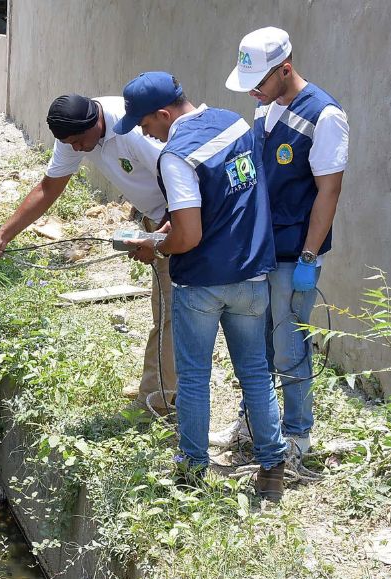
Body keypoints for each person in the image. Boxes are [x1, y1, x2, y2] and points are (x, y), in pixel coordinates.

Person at [117, 71, 287, 499]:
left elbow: (188, 237)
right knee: (255, 373)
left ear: (162, 114)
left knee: (194, 378)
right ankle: (272, 467)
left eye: (145, 124)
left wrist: (155, 244)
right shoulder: (236, 123)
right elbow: (225, 200)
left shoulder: (175, 156)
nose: (144, 132)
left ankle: (192, 471)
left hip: (202, 285)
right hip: (251, 275)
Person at [0, 94, 177, 415]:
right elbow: (49, 187)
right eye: (68, 144)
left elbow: (184, 179)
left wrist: (162, 236)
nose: (75, 149)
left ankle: (161, 402)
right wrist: (3, 235)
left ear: (96, 122)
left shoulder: (133, 128)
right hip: (159, 218)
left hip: (181, 216)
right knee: (166, 313)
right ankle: (157, 390)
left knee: (173, 316)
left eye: (78, 142)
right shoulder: (75, 134)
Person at [208, 27, 349, 465]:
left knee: (289, 347)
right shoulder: (265, 109)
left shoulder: (325, 116)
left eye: (260, 82)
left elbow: (328, 192)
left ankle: (297, 436)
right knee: (255, 345)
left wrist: (308, 257)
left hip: (294, 255)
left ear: (285, 69)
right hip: (260, 251)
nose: (253, 91)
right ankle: (253, 423)